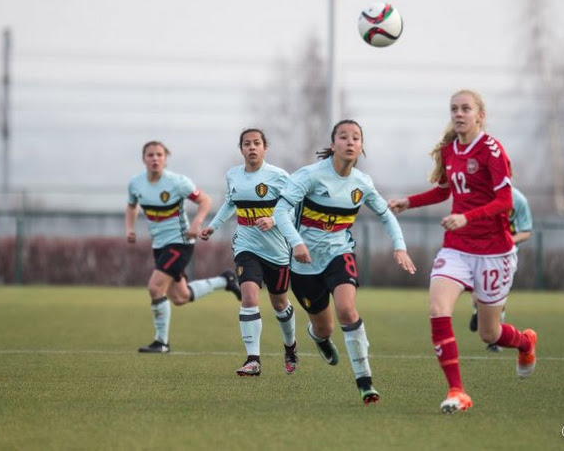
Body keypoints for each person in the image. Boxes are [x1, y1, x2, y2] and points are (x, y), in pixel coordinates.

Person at [389, 89, 537, 415]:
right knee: (437, 308)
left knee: (490, 332)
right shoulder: (449, 150)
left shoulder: (492, 151)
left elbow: (505, 201)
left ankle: (526, 343)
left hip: (494, 251)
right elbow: (445, 190)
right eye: (454, 108)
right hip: (456, 247)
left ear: (480, 115)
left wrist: (466, 216)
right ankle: (457, 390)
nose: (458, 113)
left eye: (465, 108)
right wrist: (408, 202)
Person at [273, 119, 416, 405]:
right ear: (332, 144)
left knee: (347, 310)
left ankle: (365, 381)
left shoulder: (361, 183)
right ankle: (320, 338)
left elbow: (386, 214)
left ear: (361, 147)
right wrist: (297, 243)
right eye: (343, 137)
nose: (350, 142)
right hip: (304, 264)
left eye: (356, 138)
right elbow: (280, 211)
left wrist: (400, 247)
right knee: (324, 328)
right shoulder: (310, 176)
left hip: (339, 254)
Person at [126, 140, 241, 354]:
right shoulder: (136, 184)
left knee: (154, 287)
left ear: (166, 159)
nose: (155, 159)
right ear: (144, 159)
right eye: (150, 155)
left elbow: (205, 200)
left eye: (159, 155)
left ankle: (162, 343)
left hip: (180, 242)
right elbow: (131, 205)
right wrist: (129, 228)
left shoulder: (178, 182)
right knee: (180, 297)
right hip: (159, 245)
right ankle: (225, 280)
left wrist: (197, 223)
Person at [200, 129, 297, 377]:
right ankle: (253, 360)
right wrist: (213, 226)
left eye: (256, 143)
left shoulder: (278, 177)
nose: (252, 147)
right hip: (246, 245)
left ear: (265, 148)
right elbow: (230, 204)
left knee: (279, 304)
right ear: (241, 149)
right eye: (247, 144)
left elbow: (294, 208)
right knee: (249, 297)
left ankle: (290, 346)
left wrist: (273, 221)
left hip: (276, 250)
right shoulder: (233, 175)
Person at [469, 184, 533, 352]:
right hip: (481, 252)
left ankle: (495, 341)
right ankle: (478, 311)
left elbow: (526, 231)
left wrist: (506, 241)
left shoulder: (518, 201)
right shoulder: (482, 195)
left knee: (497, 296)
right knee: (476, 292)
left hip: (504, 256)